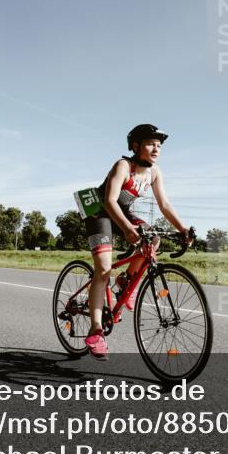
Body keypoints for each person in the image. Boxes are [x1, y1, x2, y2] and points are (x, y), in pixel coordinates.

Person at [82, 124, 191, 360]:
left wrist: (182, 229)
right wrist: (127, 229)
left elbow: (164, 204)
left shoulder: (155, 172)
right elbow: (110, 201)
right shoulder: (123, 166)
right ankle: (95, 331)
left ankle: (126, 282)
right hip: (100, 213)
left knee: (153, 239)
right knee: (103, 270)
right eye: (151, 144)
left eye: (159, 145)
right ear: (135, 146)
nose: (156, 149)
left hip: (122, 213)